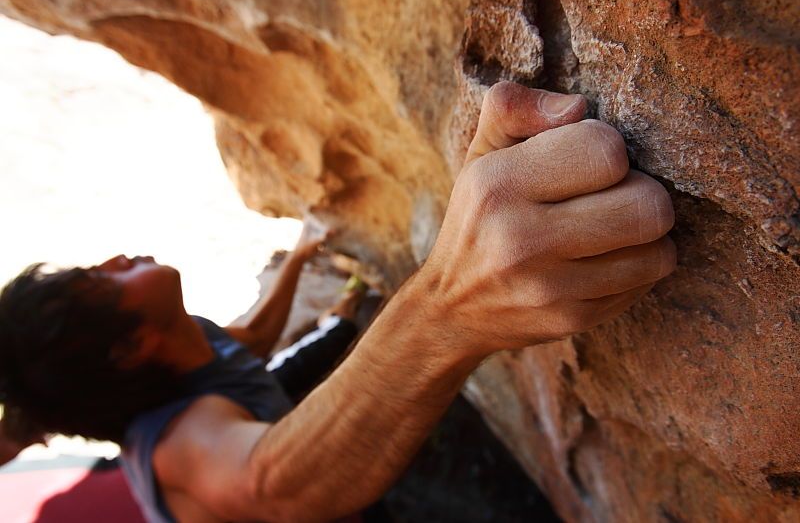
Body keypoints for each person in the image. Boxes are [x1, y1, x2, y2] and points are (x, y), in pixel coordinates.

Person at [0, 82, 676, 522]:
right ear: (128, 345)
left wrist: (299, 258)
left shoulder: (192, 345)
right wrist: (448, 306)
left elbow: (254, 337)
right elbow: (273, 481)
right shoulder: (177, 446)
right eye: (103, 278)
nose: (119, 258)